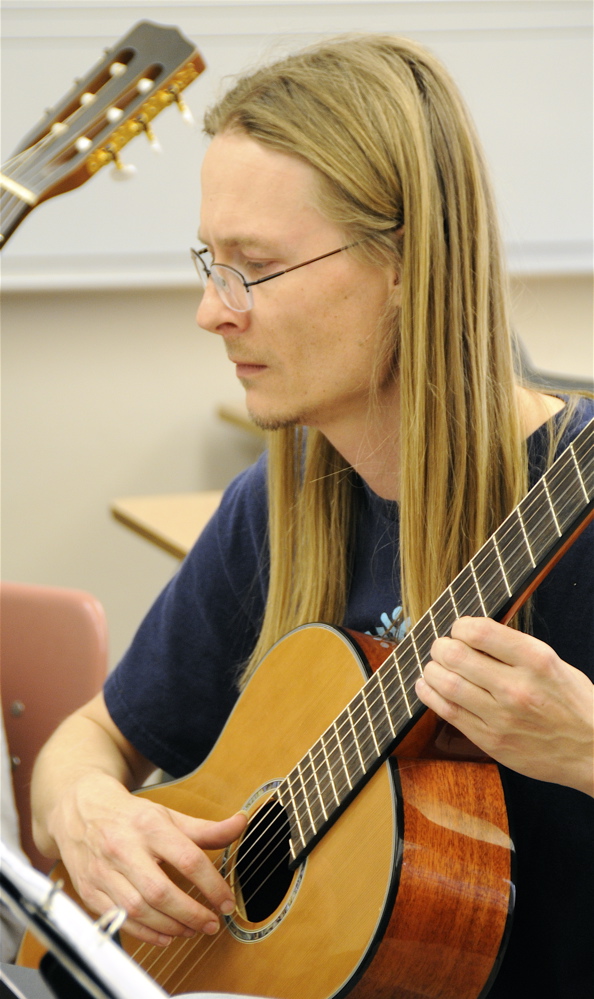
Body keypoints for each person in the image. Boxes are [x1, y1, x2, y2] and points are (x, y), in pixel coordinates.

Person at [30, 33, 592, 998]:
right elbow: (94, 735)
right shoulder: (286, 495)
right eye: (211, 260)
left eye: (255, 265)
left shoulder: (571, 502)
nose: (213, 311)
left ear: (409, 263)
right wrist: (87, 809)